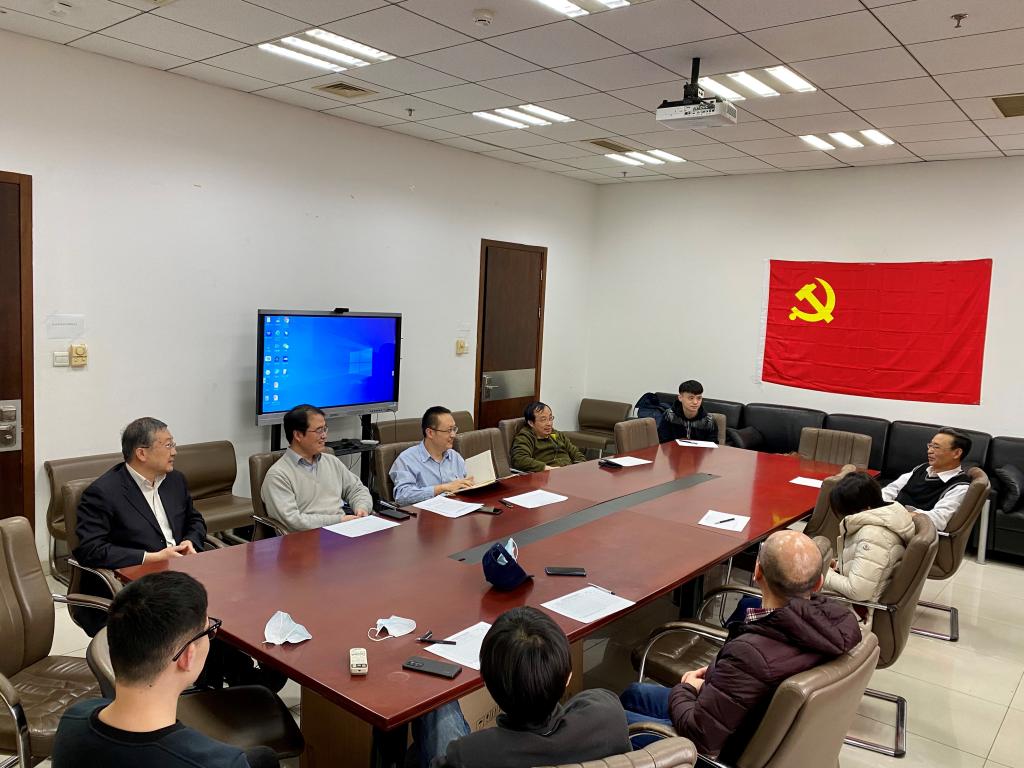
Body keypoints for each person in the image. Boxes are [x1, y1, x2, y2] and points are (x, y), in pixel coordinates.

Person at [620, 530, 861, 762]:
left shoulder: (751, 654)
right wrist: (718, 679)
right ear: (819, 583)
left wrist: (688, 688)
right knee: (634, 693)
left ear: (757, 572)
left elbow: (701, 737)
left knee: (606, 718)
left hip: (713, 750)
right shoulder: (835, 630)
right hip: (743, 719)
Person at [51, 571, 278, 768]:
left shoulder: (73, 720)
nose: (212, 635)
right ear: (187, 656)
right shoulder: (220, 762)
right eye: (208, 631)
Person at [417, 606, 629, 768]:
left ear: (488, 686)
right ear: (568, 678)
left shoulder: (469, 754)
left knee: (435, 705)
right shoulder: (607, 715)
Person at [74, 417, 207, 636]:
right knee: (191, 627)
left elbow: (195, 520)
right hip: (134, 589)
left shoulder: (175, 480)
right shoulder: (103, 492)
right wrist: (151, 557)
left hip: (181, 574)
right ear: (142, 453)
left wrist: (189, 541)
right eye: (168, 445)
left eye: (173, 444)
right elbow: (91, 550)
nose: (174, 452)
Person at [819, 471, 917, 621]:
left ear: (864, 509)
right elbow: (874, 567)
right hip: (867, 600)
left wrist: (822, 573)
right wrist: (838, 566)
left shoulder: (872, 535)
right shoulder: (892, 516)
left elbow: (858, 591)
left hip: (857, 613)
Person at [261, 404, 373, 532]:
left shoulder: (331, 461)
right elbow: (292, 521)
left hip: (343, 531)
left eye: (325, 429)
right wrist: (339, 521)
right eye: (319, 430)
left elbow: (357, 490)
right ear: (298, 435)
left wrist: (362, 508)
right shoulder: (278, 475)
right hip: (306, 538)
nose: (324, 435)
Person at [881, 428, 972, 532]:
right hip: (888, 519)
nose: (929, 451)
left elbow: (937, 520)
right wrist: (879, 505)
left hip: (912, 530)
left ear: (956, 453)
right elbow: (891, 490)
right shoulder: (922, 468)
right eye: (930, 445)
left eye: (936, 447)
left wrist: (898, 514)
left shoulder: (959, 487)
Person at [390, 406, 475, 506]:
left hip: (458, 508)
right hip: (424, 513)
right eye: (449, 430)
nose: (453, 435)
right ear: (430, 433)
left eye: (454, 429)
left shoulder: (455, 456)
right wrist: (442, 488)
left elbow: (466, 484)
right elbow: (402, 496)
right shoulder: (407, 459)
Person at [510, 402, 586, 472]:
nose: (549, 424)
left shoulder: (557, 434)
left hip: (569, 472)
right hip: (548, 476)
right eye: (543, 420)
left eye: (550, 418)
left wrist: (581, 467)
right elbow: (519, 459)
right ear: (531, 423)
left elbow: (575, 453)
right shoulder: (525, 437)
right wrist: (548, 469)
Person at [657, 380, 718, 444]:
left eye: (699, 398)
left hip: (700, 450)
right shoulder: (669, 415)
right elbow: (663, 441)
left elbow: (713, 445)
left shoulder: (709, 420)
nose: (695, 402)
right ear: (680, 398)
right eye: (691, 398)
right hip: (674, 449)